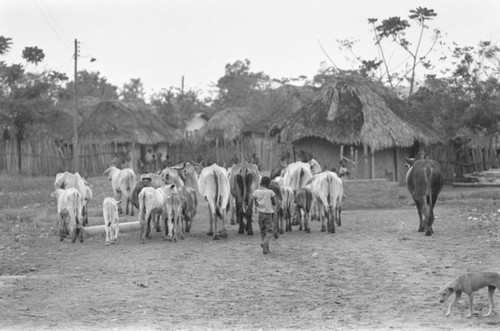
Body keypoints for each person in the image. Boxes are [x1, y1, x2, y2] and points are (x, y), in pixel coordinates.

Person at [251, 176, 277, 254]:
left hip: (260, 214)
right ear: (268, 184)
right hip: (268, 214)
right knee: (270, 231)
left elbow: (252, 199)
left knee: (263, 232)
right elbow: (274, 202)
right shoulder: (270, 192)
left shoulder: (256, 192)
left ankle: (265, 250)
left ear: (260, 183)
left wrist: (256, 202)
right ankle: (264, 243)